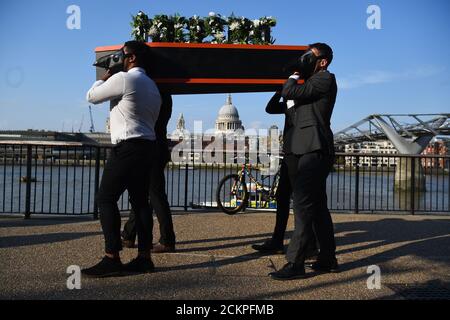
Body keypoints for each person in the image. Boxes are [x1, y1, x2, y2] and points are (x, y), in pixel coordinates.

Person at [82, 41, 161, 278]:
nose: (119, 58)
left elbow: (91, 96)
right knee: (140, 203)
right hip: (147, 148)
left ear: (133, 58)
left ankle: (112, 257)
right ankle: (144, 258)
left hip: (126, 147)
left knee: (105, 199)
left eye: (122, 55)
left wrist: (106, 75)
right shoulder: (152, 86)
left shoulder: (125, 79)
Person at [270, 43, 338, 280]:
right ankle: (327, 259)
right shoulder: (310, 84)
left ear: (323, 61)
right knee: (318, 207)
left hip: (315, 149)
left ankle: (296, 263)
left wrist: (293, 74)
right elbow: (283, 104)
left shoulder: (325, 79)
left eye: (310, 56)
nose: (305, 59)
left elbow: (289, 92)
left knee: (301, 204)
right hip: (305, 149)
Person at [251, 93, 319, 258]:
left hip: (299, 154)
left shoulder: (305, 102)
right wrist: (280, 92)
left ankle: (307, 245)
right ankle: (277, 241)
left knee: (299, 201)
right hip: (289, 154)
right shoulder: (290, 103)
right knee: (282, 197)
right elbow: (270, 108)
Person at [121, 92, 176, 253]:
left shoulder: (152, 96)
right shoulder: (164, 97)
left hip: (150, 149)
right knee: (143, 193)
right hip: (158, 149)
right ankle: (129, 235)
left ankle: (167, 240)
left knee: (156, 196)